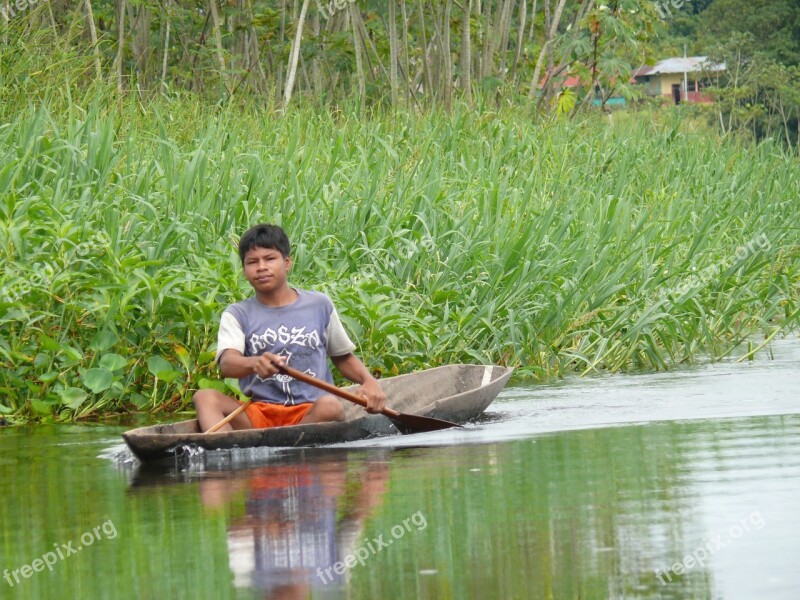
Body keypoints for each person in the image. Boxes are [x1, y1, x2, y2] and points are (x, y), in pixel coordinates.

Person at [193, 224, 386, 432]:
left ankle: (283, 445)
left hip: (311, 412)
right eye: (252, 262)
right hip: (260, 412)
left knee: (330, 406)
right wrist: (255, 363)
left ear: (287, 263)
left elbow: (342, 357)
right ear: (244, 271)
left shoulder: (319, 305)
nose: (261, 267)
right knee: (204, 397)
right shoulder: (237, 313)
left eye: (269, 259)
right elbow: (229, 364)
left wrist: (369, 381)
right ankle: (226, 454)